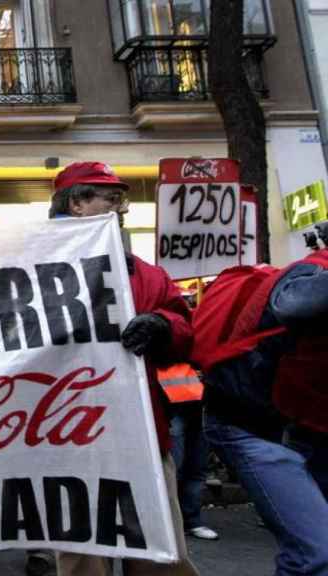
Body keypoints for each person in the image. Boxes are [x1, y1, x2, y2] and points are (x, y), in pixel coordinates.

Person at [48, 162, 199, 576]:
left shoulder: (147, 274)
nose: (123, 209)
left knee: (158, 552)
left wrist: (164, 326)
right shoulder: (32, 268)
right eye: (112, 199)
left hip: (143, 435)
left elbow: (186, 332)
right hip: (69, 439)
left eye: (122, 199)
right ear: (77, 203)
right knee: (83, 558)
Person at [198, 249, 328, 575]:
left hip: (306, 428)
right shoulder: (308, 274)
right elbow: (294, 304)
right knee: (315, 553)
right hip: (250, 427)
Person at [159, 363, 219, 540]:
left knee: (195, 468)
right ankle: (172, 522)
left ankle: (191, 521)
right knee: (174, 469)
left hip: (199, 406)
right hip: (174, 405)